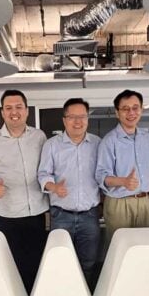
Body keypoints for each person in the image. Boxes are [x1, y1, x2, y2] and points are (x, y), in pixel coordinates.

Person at [0, 90, 48, 292]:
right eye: (8, 108)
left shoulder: (39, 136)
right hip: (6, 214)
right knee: (10, 264)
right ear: (2, 112)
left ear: (26, 111)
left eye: (18, 107)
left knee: (37, 262)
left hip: (36, 211)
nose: (14, 112)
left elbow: (47, 168)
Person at [38, 97, 101, 284]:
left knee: (88, 263)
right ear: (64, 120)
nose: (77, 121)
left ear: (87, 119)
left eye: (82, 116)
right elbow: (43, 174)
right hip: (61, 216)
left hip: (90, 216)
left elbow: (104, 174)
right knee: (60, 262)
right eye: (72, 117)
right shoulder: (52, 145)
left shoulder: (98, 144)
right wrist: (54, 187)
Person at [96, 89, 149, 239]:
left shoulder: (146, 137)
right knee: (120, 247)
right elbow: (101, 176)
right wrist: (123, 181)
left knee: (145, 246)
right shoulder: (109, 141)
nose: (131, 113)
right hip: (120, 204)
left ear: (141, 110)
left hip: (145, 202)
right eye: (125, 109)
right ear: (117, 113)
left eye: (135, 108)